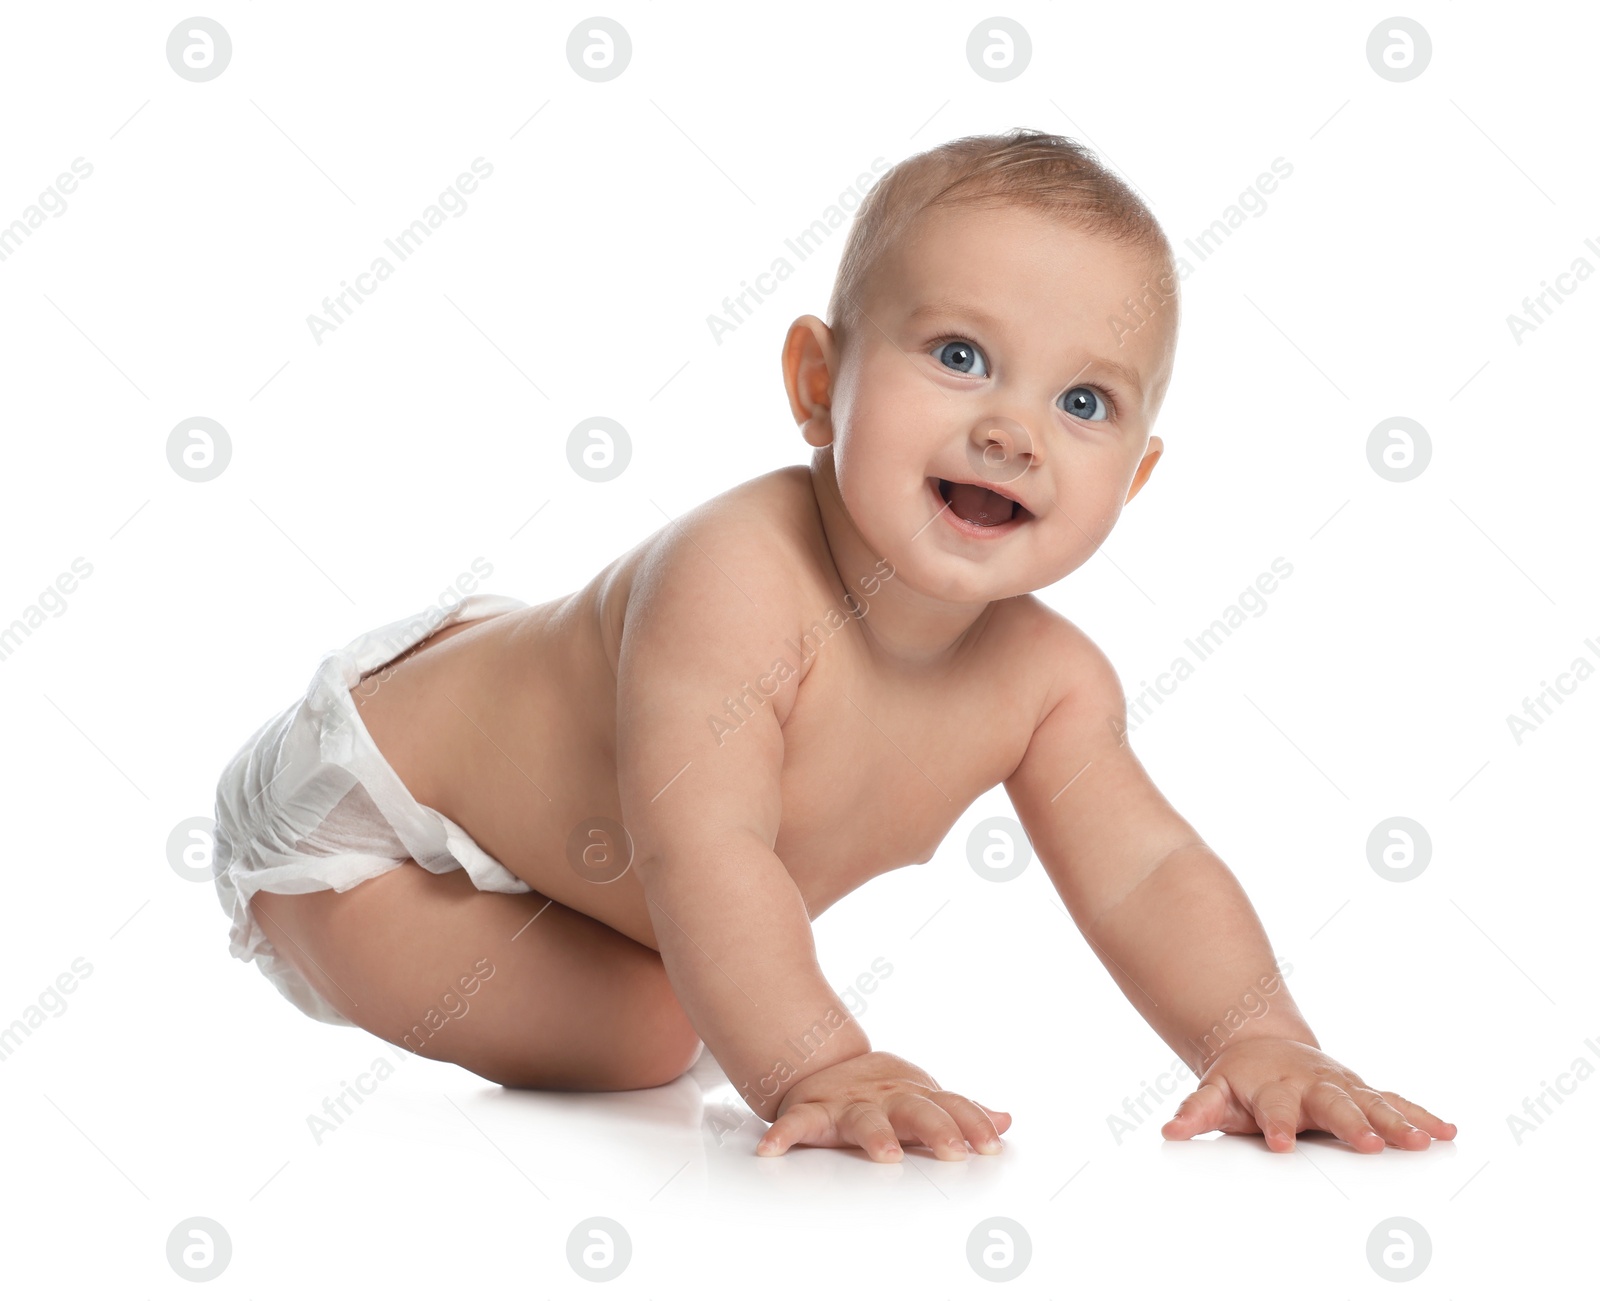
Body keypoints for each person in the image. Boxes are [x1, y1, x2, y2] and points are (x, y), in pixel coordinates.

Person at [211, 127, 1456, 1163]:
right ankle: (297, 919)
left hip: (589, 884)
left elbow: (1144, 870)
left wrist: (1259, 1037)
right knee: (681, 1028)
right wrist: (822, 1059)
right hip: (370, 813)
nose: (1014, 429)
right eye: (960, 356)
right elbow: (705, 845)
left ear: (1132, 480)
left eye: (1083, 402)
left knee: (665, 1024)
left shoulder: (1048, 682)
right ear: (819, 382)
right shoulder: (737, 578)